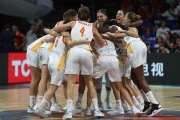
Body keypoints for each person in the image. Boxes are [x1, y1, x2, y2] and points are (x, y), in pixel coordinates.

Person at [47, 4, 105, 119]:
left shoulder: (74, 23)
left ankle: (69, 112)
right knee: (89, 82)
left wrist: (62, 32)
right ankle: (97, 110)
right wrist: (92, 38)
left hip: (73, 52)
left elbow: (54, 29)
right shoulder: (91, 27)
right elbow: (102, 43)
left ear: (78, 16)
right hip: (86, 52)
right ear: (88, 18)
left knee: (71, 83)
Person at [106, 12, 163, 117]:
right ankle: (147, 102)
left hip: (134, 47)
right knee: (135, 77)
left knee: (140, 79)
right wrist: (109, 35)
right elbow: (118, 36)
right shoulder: (126, 28)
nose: (121, 18)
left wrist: (109, 32)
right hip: (137, 47)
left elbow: (132, 34)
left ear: (127, 20)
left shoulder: (129, 27)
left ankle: (155, 104)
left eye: (125, 16)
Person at [34, 20, 90, 118]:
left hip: (52, 61)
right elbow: (70, 43)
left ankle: (70, 108)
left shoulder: (58, 34)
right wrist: (83, 41)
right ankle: (39, 107)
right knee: (53, 87)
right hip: (58, 63)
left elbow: (47, 32)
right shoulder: (67, 35)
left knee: (66, 84)